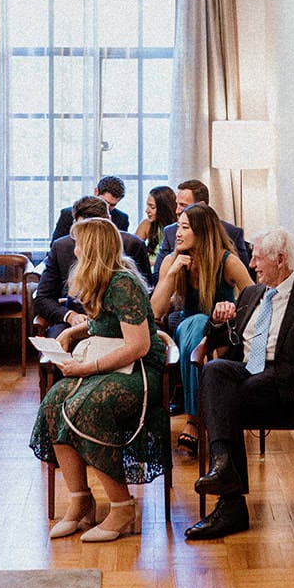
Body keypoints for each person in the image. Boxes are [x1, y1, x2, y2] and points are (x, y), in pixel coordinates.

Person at [183, 227, 294, 541]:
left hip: (282, 381)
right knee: (215, 370)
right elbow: (228, 341)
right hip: (246, 371)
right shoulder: (252, 293)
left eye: (257, 258)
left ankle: (231, 501)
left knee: (225, 400)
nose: (252, 265)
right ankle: (225, 468)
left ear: (280, 260)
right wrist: (217, 320)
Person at [30, 218, 168, 542]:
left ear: (92, 248)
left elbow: (138, 346)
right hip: (109, 365)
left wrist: (86, 368)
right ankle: (80, 502)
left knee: (83, 407)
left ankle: (122, 505)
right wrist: (71, 330)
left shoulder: (123, 283)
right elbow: (102, 324)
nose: (74, 249)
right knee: (53, 405)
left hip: (138, 371)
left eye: (78, 243)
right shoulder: (101, 279)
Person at [148, 203, 254, 456]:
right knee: (194, 327)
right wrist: (172, 274)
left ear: (202, 231)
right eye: (179, 227)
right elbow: (155, 311)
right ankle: (202, 418)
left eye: (185, 227)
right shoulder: (172, 261)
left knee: (199, 329)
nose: (178, 233)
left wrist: (231, 309)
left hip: (223, 330)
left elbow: (253, 298)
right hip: (188, 327)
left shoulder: (227, 261)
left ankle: (194, 420)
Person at [35, 196, 153, 335]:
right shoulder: (61, 247)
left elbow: (146, 295)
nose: (86, 242)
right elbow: (42, 298)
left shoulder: (133, 245)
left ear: (108, 223)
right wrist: (70, 316)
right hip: (74, 319)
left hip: (119, 323)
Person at [154, 179, 252, 266]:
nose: (177, 211)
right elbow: (157, 276)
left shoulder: (232, 233)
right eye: (177, 204)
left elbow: (246, 280)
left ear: (202, 205)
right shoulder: (170, 232)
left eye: (183, 205)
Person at [51, 175, 129, 241]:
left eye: (112, 205)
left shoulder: (122, 219)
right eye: (104, 202)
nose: (106, 208)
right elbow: (56, 248)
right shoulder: (68, 214)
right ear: (96, 192)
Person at [135, 184, 180, 264]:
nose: (147, 210)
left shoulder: (178, 227)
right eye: (147, 205)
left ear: (164, 208)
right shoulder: (146, 224)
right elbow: (133, 251)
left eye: (152, 207)